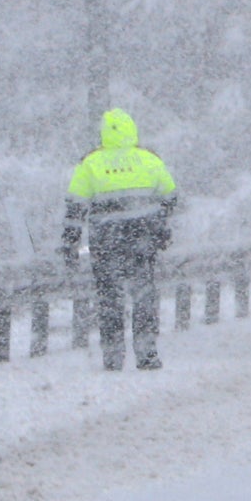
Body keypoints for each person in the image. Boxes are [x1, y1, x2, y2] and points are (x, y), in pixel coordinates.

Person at [60, 108, 179, 372]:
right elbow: (170, 196)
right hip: (142, 241)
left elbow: (75, 208)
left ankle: (113, 357)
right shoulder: (148, 160)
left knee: (109, 299)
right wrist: (158, 225)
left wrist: (70, 242)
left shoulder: (90, 163)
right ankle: (147, 354)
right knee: (144, 296)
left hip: (106, 244)